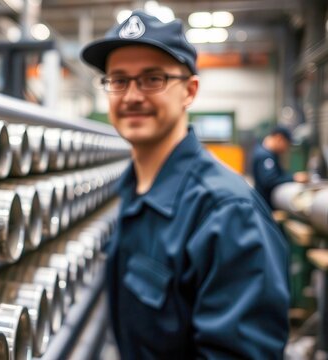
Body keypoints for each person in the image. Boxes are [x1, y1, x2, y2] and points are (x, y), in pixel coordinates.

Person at [80, 10, 289, 359]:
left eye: (152, 79)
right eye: (118, 80)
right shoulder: (133, 189)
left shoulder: (227, 214)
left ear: (189, 91)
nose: (132, 96)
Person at [252, 125, 309, 208]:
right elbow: (269, 181)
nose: (286, 149)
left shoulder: (268, 154)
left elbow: (277, 175)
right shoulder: (265, 156)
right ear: (279, 139)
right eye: (286, 144)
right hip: (264, 204)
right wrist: (294, 178)